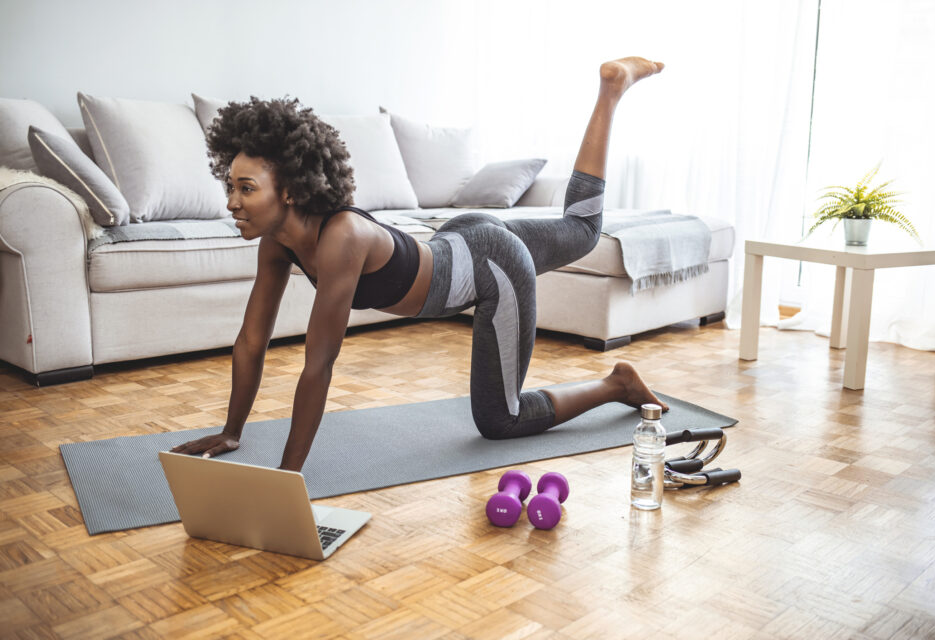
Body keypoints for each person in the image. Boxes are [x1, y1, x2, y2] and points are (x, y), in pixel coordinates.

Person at [172, 56, 669, 472]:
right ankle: (612, 90)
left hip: (492, 268)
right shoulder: (276, 243)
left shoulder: (341, 236)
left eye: (246, 188)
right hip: (463, 239)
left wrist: (285, 479)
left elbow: (318, 363)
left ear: (290, 189)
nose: (232, 202)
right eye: (230, 186)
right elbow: (251, 341)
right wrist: (231, 433)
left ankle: (615, 385)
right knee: (580, 232)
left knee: (502, 420)